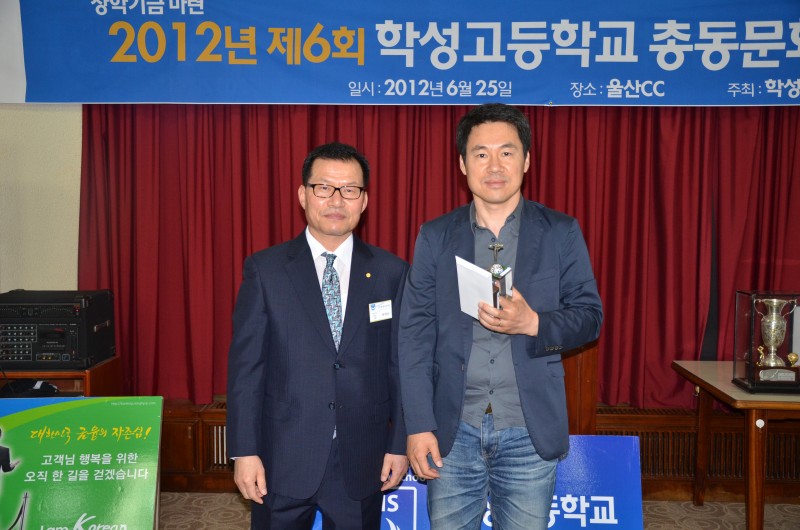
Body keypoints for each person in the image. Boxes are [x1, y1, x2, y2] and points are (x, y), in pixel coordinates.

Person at [399, 103, 603, 530]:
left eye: (507, 152)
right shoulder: (435, 236)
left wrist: (535, 324)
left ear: (526, 160)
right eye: (481, 153)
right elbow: (414, 335)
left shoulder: (560, 231)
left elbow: (589, 317)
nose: (494, 166)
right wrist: (418, 425)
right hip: (452, 431)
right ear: (462, 164)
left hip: (528, 429)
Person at [227, 142, 409, 529]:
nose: (336, 200)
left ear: (364, 201)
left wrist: (400, 445)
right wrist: (244, 451)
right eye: (324, 187)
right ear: (303, 195)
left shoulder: (391, 273)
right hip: (281, 458)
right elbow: (247, 369)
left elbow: (401, 365)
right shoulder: (266, 270)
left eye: (350, 190)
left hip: (362, 459)